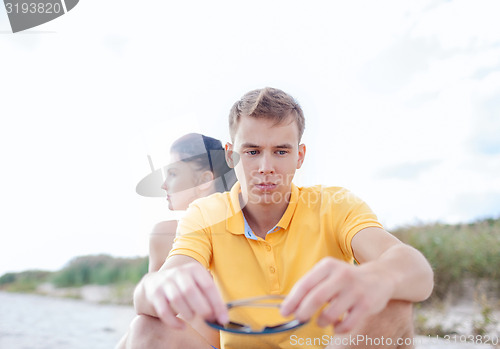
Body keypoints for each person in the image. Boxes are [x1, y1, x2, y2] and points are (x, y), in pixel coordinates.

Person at [125, 88, 434, 349]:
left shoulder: (335, 204)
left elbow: (416, 271)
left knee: (395, 304)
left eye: (281, 152)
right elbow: (148, 296)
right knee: (145, 329)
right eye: (253, 151)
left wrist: (376, 278)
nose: (266, 167)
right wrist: (159, 286)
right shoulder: (205, 214)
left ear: (299, 156)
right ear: (232, 156)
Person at [116, 133, 236, 349]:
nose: (164, 185)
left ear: (205, 180)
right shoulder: (163, 235)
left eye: (172, 173)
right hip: (172, 341)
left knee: (145, 328)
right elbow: (147, 316)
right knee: (143, 326)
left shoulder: (245, 228)